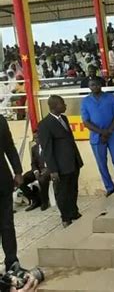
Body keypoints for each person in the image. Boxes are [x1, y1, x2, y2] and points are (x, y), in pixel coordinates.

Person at [38, 95, 83, 228]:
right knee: (62, 192)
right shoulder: (45, 124)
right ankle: (65, 217)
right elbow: (47, 149)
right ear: (55, 106)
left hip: (73, 161)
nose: (65, 106)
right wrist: (53, 169)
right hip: (60, 165)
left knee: (73, 189)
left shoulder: (64, 118)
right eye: (63, 104)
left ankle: (74, 212)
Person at [81, 78, 114, 196]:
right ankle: (109, 187)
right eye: (91, 85)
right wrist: (101, 132)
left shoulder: (110, 97)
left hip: (113, 133)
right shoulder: (85, 101)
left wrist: (108, 131)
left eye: (96, 84)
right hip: (96, 136)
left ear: (101, 85)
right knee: (101, 163)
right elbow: (86, 122)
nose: (94, 87)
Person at [0, 114, 23, 271]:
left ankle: (12, 262)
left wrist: (18, 171)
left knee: (7, 224)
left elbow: (9, 146)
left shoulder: (0, 120)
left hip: (2, 182)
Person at [19, 132, 50, 212]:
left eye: (37, 138)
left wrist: (46, 170)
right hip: (38, 170)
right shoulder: (34, 148)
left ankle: (44, 201)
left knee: (42, 179)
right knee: (21, 180)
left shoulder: (48, 146)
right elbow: (33, 163)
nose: (36, 140)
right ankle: (35, 200)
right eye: (35, 138)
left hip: (48, 169)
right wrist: (36, 171)